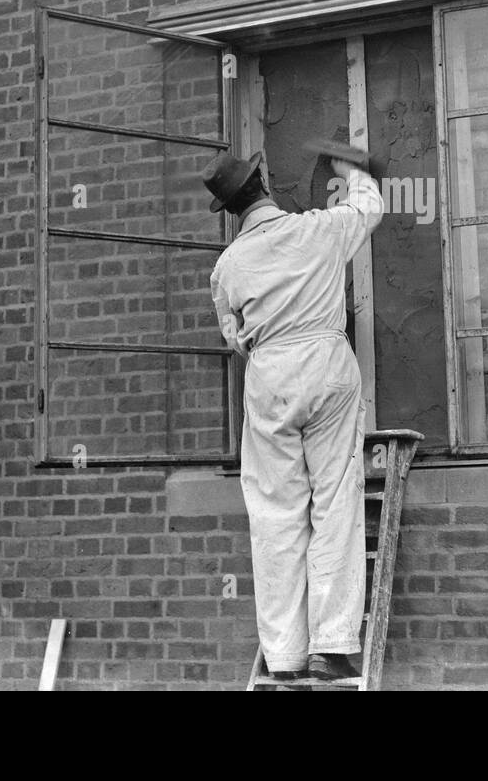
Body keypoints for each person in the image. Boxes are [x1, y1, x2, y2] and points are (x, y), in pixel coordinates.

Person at [204, 146, 383, 681]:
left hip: (269, 375)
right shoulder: (318, 230)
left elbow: (235, 339)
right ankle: (332, 643)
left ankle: (283, 655)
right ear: (263, 180)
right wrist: (351, 171)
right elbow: (368, 208)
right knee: (335, 500)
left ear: (231, 209)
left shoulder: (227, 265)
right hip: (326, 361)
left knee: (276, 516)